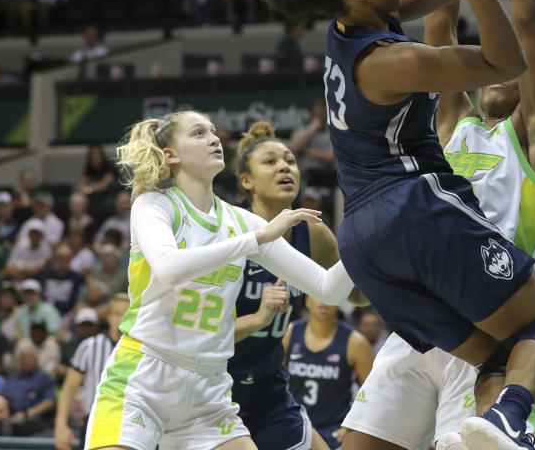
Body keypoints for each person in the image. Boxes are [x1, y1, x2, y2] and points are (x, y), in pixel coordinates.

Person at [248, 0, 535, 450]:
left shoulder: (351, 28)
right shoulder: (408, 74)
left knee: (496, 361)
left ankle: (502, 426)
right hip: (419, 223)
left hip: (370, 244)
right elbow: (506, 52)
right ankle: (509, 421)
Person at [83, 110, 356, 450]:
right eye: (198, 133)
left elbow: (329, 290)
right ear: (171, 154)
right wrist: (257, 239)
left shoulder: (241, 222)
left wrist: (371, 239)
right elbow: (169, 267)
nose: (213, 138)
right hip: (144, 377)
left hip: (208, 390)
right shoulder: (154, 205)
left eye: (213, 131)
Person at [228, 120, 369, 450]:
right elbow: (200, 332)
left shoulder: (313, 233)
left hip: (268, 391)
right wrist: (258, 319)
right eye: (270, 162)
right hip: (216, 388)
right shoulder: (231, 231)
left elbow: (358, 297)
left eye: (290, 161)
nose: (284, 167)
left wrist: (371, 245)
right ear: (246, 180)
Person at [285, 297, 374, 449]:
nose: (323, 301)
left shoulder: (355, 341)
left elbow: (373, 393)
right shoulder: (291, 332)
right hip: (295, 424)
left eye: (329, 295)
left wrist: (351, 426)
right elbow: (271, 379)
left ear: (340, 301)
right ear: (307, 301)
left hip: (334, 430)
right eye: (317, 294)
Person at [55, 294, 128, 450]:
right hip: (95, 422)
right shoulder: (90, 346)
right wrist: (61, 424)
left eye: (127, 314)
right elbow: (69, 388)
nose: (122, 319)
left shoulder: (145, 350)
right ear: (108, 317)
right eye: (117, 314)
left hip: (130, 424)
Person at [4, 343, 54, 432]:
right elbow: (3, 398)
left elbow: (50, 402)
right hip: (9, 418)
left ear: (36, 360)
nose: (25, 361)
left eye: (28, 358)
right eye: (22, 358)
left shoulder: (43, 377)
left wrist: (28, 413)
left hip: (32, 420)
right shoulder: (12, 378)